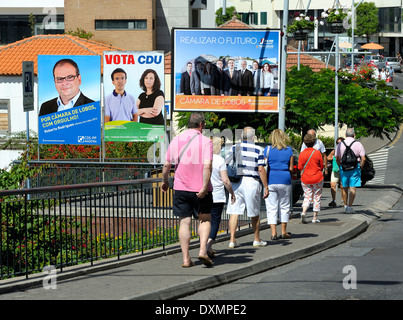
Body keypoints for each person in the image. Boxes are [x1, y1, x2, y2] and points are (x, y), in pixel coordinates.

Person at [161, 112, 213, 268]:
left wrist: (165, 181)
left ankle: (185, 259)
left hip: (181, 188)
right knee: (204, 219)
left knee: (184, 222)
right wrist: (204, 186)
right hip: (201, 190)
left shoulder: (176, 140)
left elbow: (166, 165)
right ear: (201, 125)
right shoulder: (206, 141)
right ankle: (203, 250)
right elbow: (207, 165)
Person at [225, 127, 269, 248]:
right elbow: (261, 169)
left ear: (241, 137)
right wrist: (266, 186)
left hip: (236, 182)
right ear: (253, 137)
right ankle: (256, 239)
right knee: (254, 213)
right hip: (251, 181)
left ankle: (232, 240)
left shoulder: (234, 148)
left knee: (234, 212)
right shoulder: (258, 149)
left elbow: (226, 163)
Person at [206, 136, 236, 257]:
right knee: (214, 221)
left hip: (204, 194)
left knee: (204, 221)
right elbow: (226, 181)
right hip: (217, 195)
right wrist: (232, 193)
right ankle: (207, 247)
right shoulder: (219, 160)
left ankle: (208, 247)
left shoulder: (203, 158)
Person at [264, 129, 294, 240]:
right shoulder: (289, 150)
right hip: (285, 179)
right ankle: (283, 232)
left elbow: (264, 166)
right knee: (284, 206)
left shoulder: (267, 150)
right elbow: (291, 168)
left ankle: (273, 233)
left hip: (271, 180)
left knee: (271, 207)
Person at [335, 128, 366, 213]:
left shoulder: (340, 144)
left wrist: (339, 165)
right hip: (355, 168)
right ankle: (350, 206)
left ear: (345, 135)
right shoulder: (358, 144)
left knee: (344, 187)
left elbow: (337, 157)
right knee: (352, 188)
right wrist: (360, 167)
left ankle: (345, 205)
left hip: (343, 168)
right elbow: (363, 158)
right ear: (354, 135)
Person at [298, 133, 324, 223]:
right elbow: (321, 165)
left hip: (305, 178)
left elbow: (300, 167)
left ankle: (304, 212)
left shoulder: (302, 154)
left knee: (307, 196)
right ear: (314, 142)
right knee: (317, 196)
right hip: (317, 177)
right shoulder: (317, 153)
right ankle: (314, 217)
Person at [327, 137, 345, 207]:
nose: (339, 144)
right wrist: (332, 158)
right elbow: (328, 158)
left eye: (340, 143)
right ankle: (333, 200)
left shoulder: (345, 151)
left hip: (343, 170)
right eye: (337, 143)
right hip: (335, 170)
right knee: (332, 185)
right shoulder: (334, 151)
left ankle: (343, 201)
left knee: (342, 186)